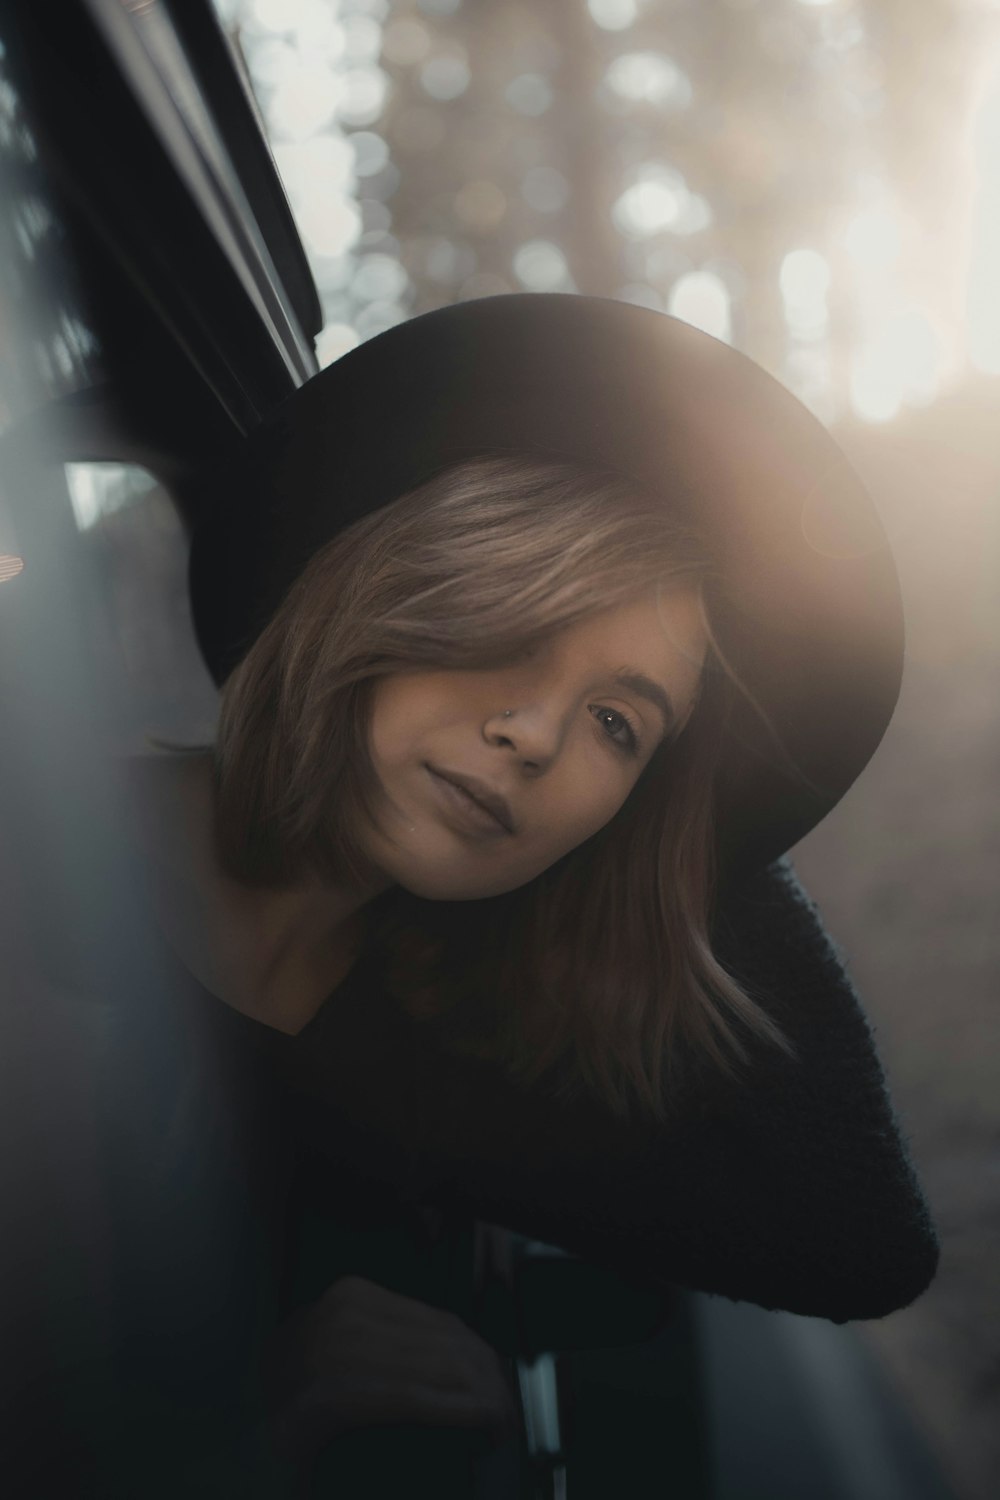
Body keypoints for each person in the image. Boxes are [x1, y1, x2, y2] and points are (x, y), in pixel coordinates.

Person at [104, 294, 937, 1495]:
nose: (536, 735)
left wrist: (703, 825)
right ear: (381, 590)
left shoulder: (449, 1033)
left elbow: (860, 1239)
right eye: (509, 626)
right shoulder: (46, 851)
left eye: (617, 724)